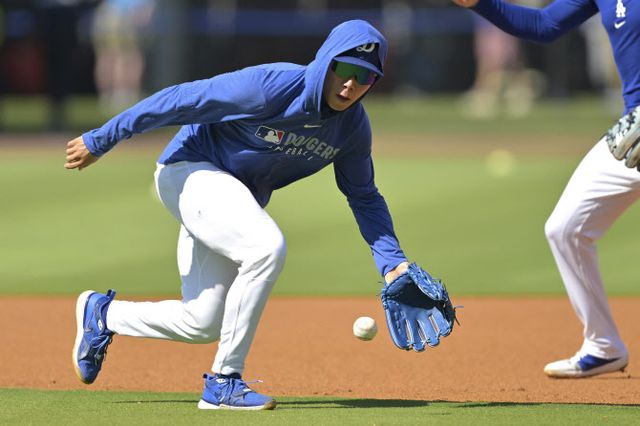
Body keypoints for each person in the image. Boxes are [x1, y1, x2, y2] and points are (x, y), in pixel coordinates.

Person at [65, 20, 415, 410]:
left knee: (202, 321)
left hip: (229, 199)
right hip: (189, 170)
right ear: (325, 62)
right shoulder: (270, 87)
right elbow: (182, 99)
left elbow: (364, 196)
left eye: (365, 77)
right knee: (266, 247)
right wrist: (102, 138)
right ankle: (224, 381)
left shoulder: (351, 129)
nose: (351, 84)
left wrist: (393, 265)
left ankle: (104, 314)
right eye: (345, 69)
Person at [451, 0, 635, 378]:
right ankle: (603, 345)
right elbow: (544, 24)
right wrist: (479, 3)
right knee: (565, 228)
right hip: (633, 134)